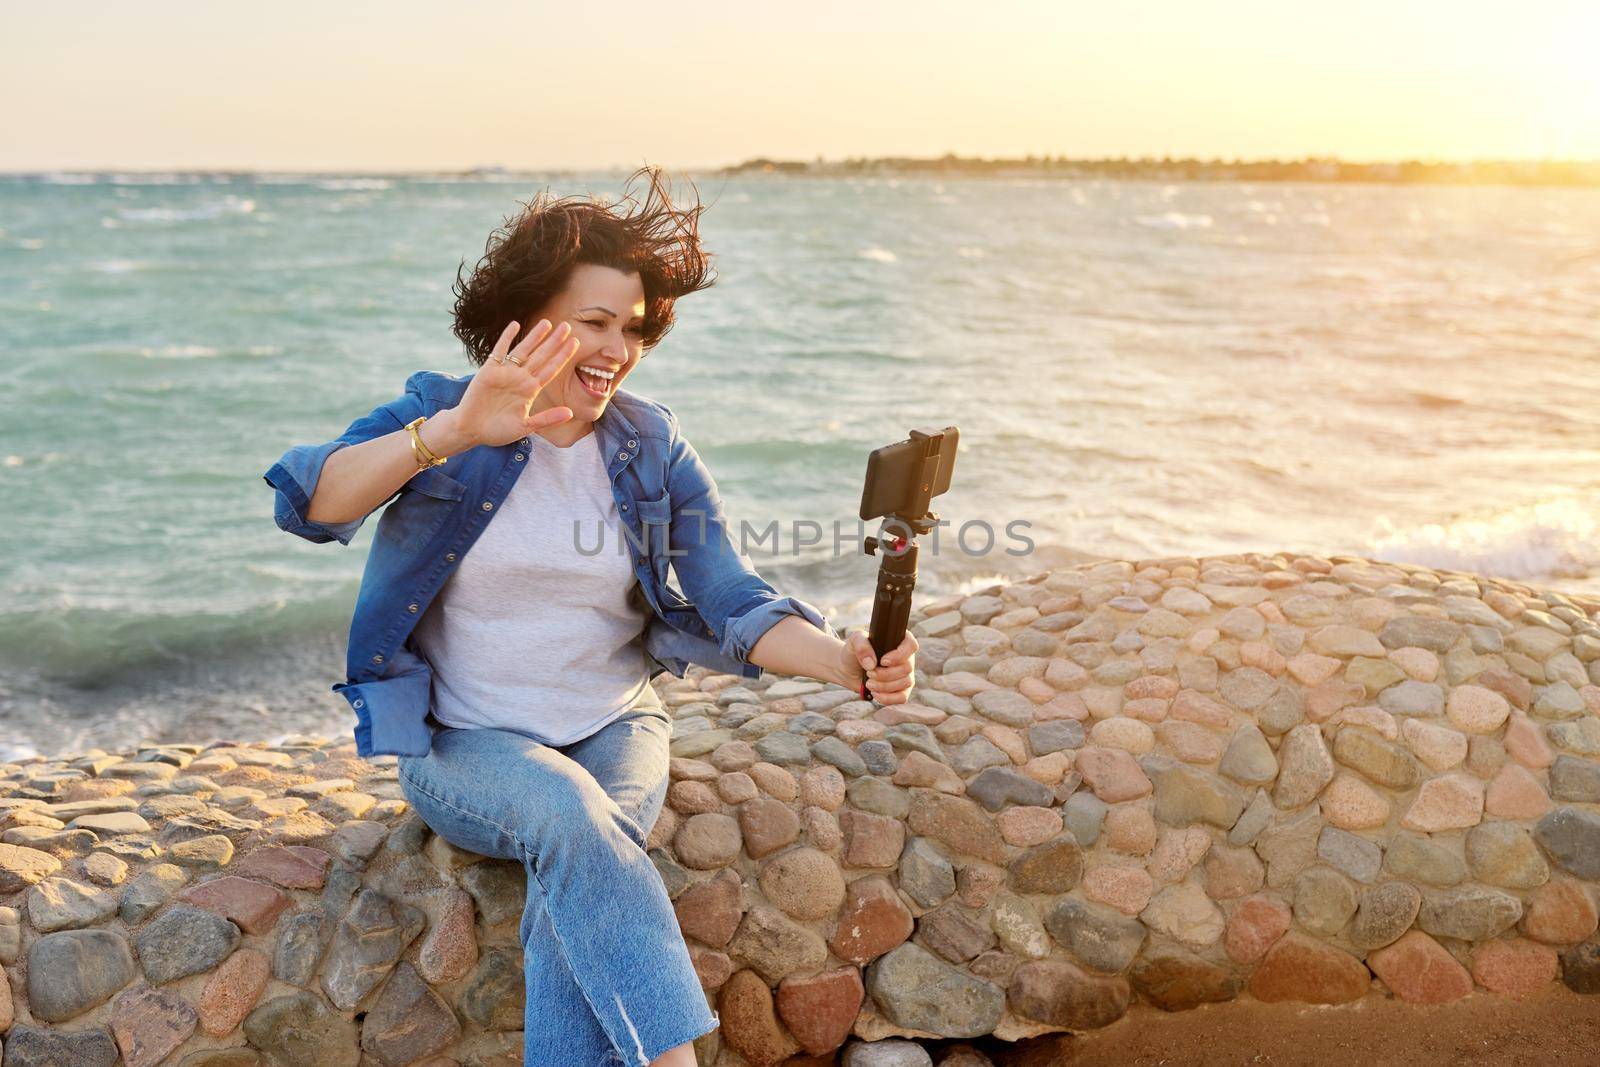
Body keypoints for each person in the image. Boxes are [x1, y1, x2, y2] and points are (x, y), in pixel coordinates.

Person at [262, 167, 919, 1066]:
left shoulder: (650, 444)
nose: (619, 349)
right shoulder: (440, 414)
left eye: (635, 329)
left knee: (577, 871)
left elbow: (729, 594)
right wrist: (455, 431)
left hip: (616, 724)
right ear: (528, 322)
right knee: (572, 822)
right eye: (596, 322)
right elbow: (313, 504)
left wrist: (845, 660)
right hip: (463, 744)